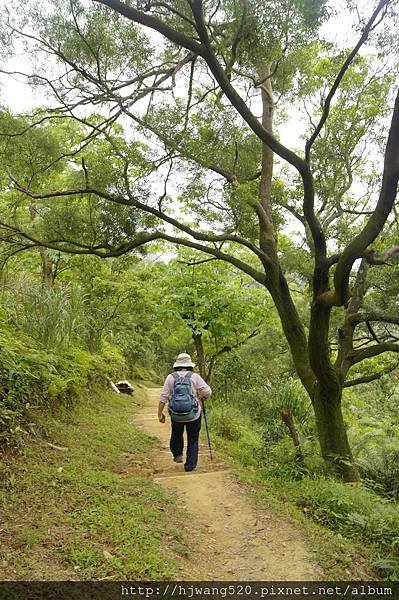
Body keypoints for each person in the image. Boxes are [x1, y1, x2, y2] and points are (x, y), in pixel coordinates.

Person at [158, 353, 212, 472]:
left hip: (176, 414)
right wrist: (202, 397)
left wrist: (160, 414)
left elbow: (163, 397)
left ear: (177, 365)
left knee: (177, 433)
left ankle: (178, 454)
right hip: (193, 414)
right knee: (193, 438)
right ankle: (190, 466)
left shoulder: (170, 377)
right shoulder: (195, 376)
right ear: (189, 365)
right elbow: (207, 391)